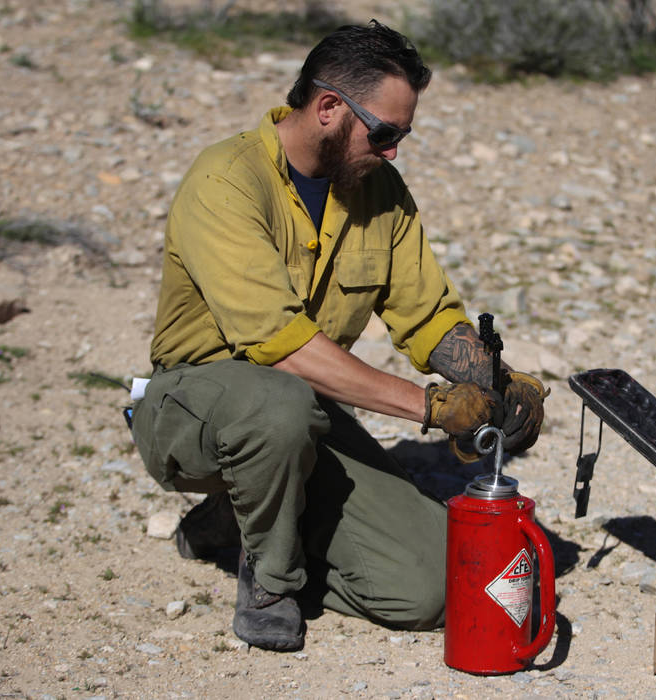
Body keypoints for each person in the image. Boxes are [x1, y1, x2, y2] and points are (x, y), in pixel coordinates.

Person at [130, 20, 548, 652]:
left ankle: (251, 512)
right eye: (384, 133)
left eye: (402, 136)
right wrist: (433, 408)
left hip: (301, 415)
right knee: (280, 403)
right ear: (328, 108)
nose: (393, 151)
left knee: (429, 589)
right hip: (190, 410)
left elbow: (428, 314)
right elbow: (283, 346)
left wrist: (494, 382)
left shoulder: (379, 191)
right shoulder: (225, 180)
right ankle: (270, 580)